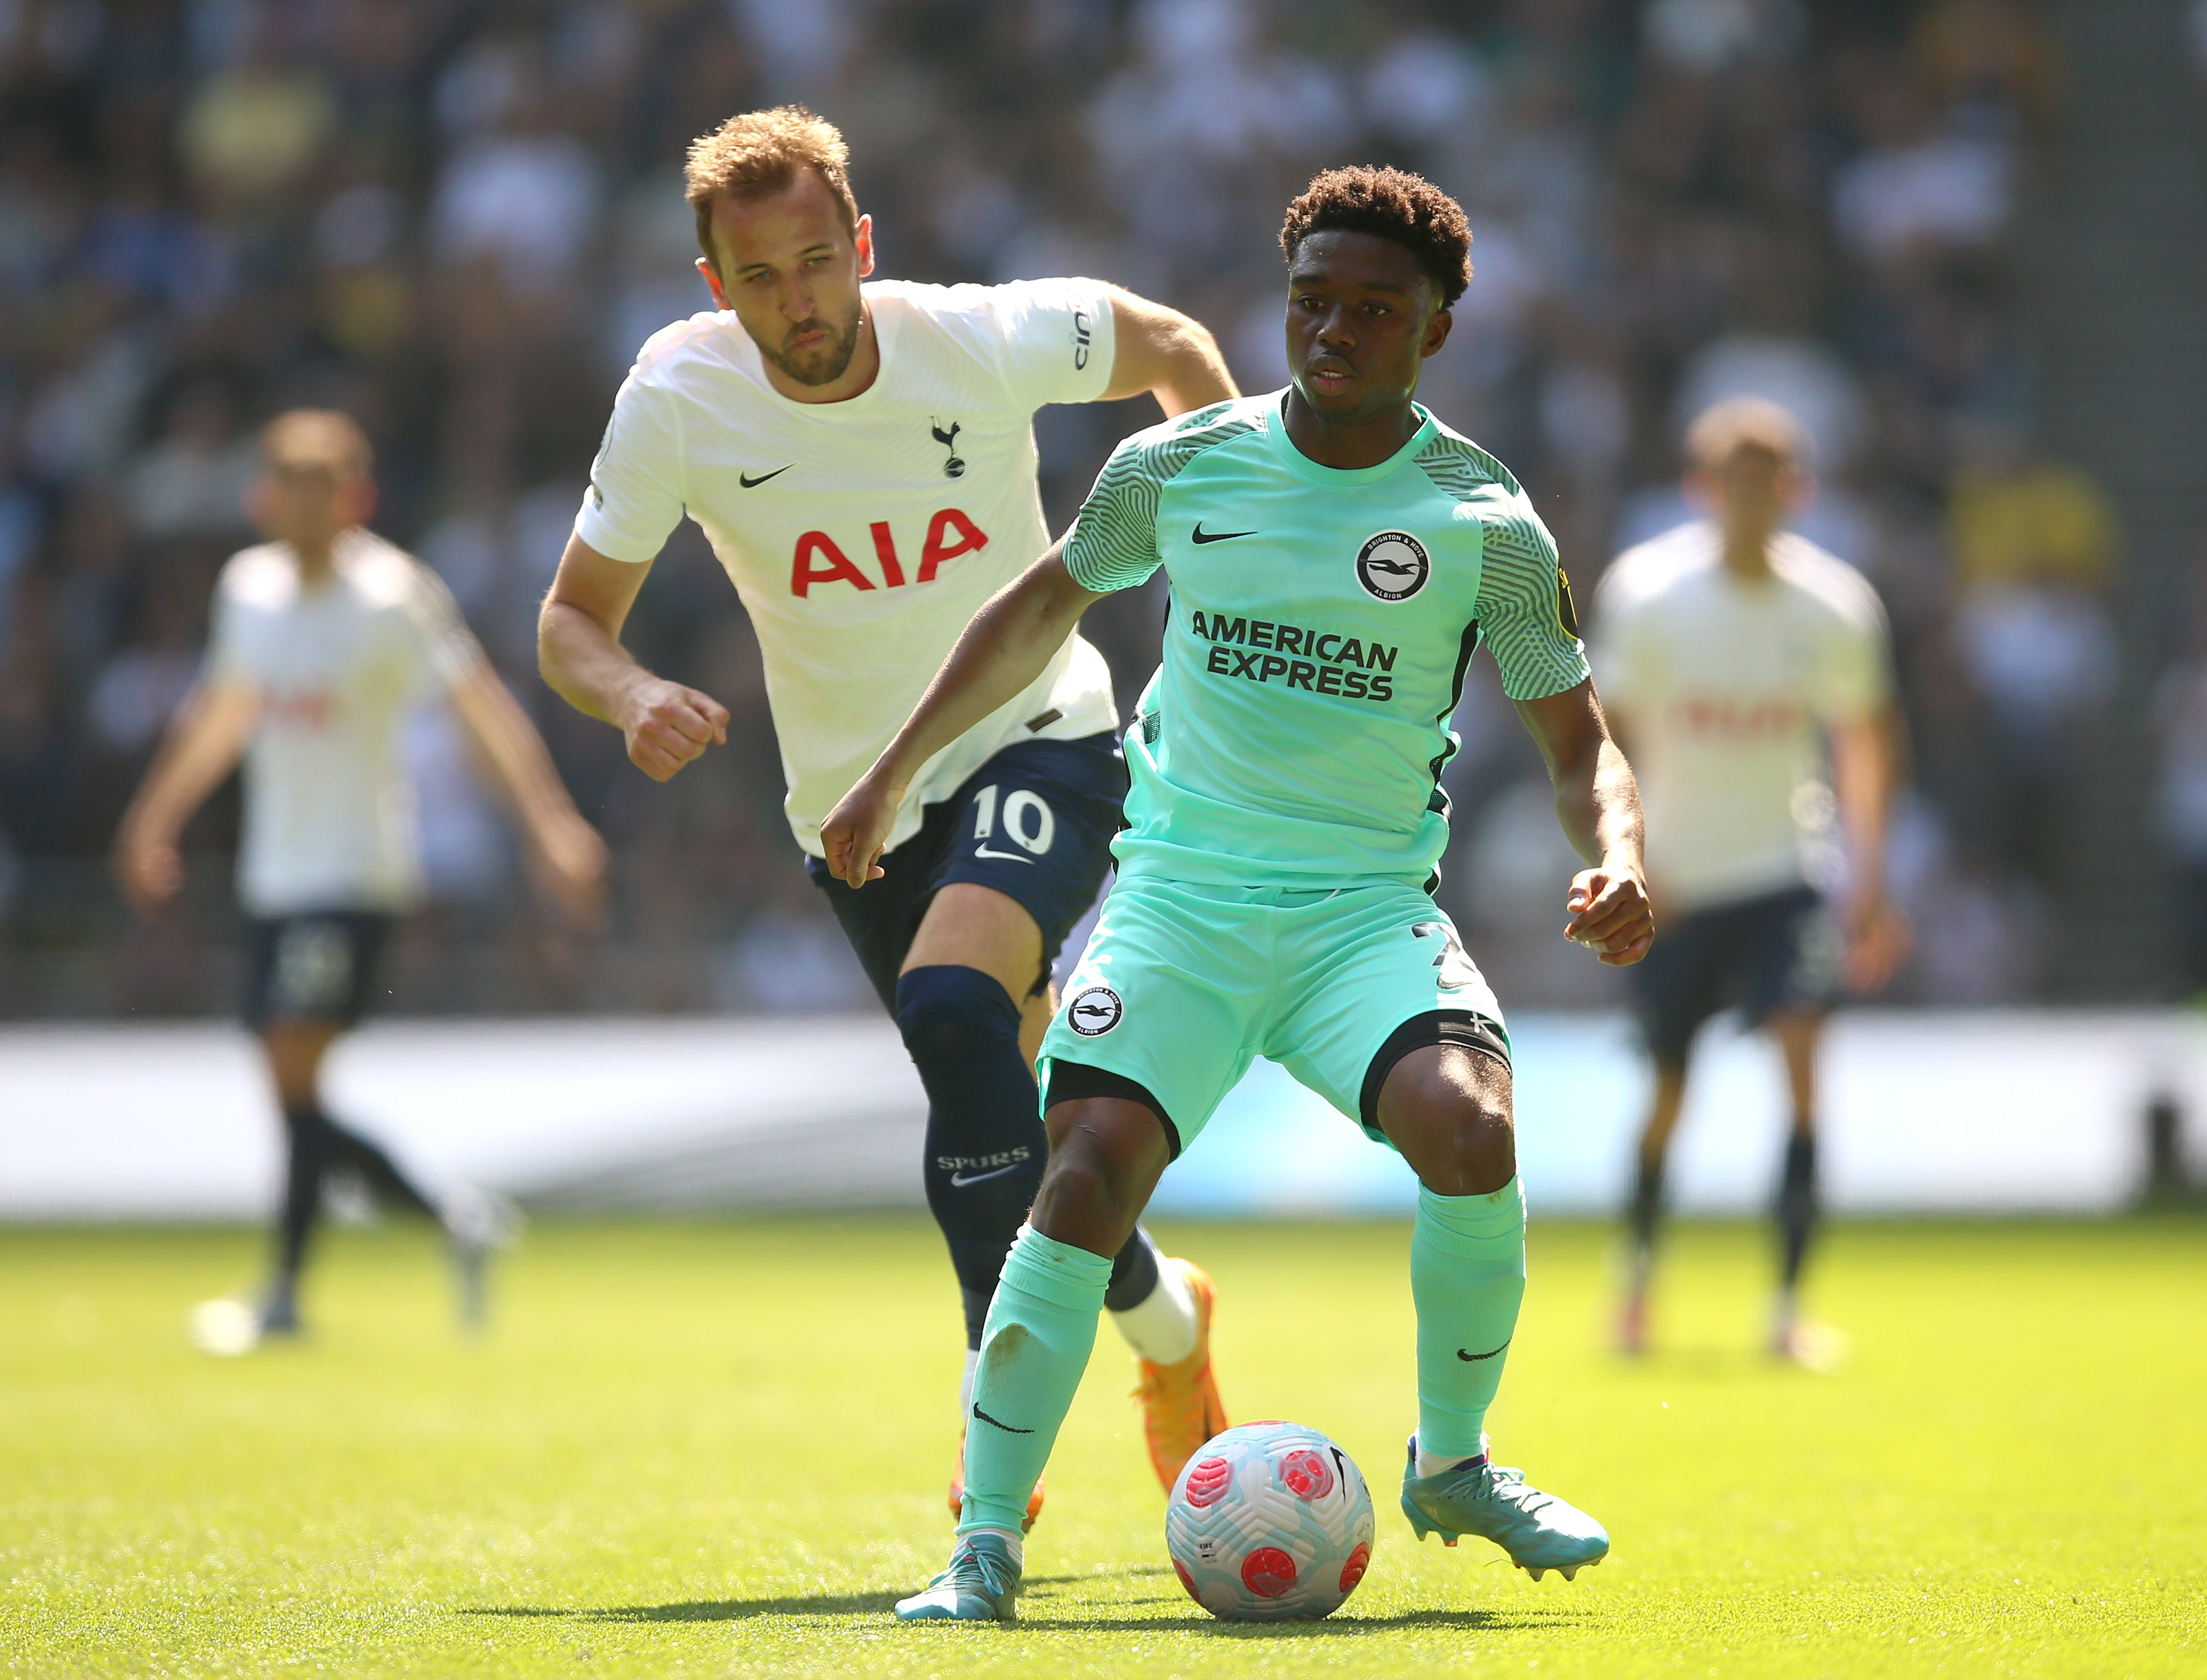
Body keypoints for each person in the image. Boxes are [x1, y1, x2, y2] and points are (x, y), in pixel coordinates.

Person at [824, 164, 1656, 1623]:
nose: (1331, 332)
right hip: (1182, 906)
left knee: (1470, 1134)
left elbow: (1580, 743)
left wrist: (1621, 854)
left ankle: (1450, 1460)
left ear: (1435, 333)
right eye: (1309, 302)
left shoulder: (1483, 524)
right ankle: (984, 1547)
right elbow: (1033, 609)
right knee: (1077, 1179)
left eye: (1371, 312)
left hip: (1358, 917)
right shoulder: (1178, 468)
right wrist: (896, 768)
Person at [536, 106, 1243, 1524]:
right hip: (851, 811)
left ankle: (1001, 1424)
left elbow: (1172, 347)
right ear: (711, 287)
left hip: (1043, 734)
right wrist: (628, 696)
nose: (796, 302)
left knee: (951, 1009)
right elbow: (570, 621)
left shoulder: (975, 338)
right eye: (759, 279)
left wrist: (1217, 559)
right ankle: (1171, 1332)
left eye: (815, 263)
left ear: (861, 244)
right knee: (1010, 1119)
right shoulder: (678, 399)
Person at [114, 409, 606, 1351]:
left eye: (323, 487)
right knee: (292, 1090)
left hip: (356, 872)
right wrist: (156, 817)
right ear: (265, 498)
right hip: (274, 876)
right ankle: (450, 1217)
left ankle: (287, 1293)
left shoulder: (392, 595)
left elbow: (480, 709)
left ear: (355, 496)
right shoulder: (248, 590)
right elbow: (223, 712)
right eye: (289, 486)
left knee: (293, 1061)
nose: (305, 507)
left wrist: (548, 823)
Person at [1592, 396, 1907, 1368]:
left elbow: (1863, 740)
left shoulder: (1835, 606)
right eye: (1734, 482)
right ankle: (1638, 1281)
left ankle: (1786, 1306)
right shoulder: (1647, 595)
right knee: (1668, 1091)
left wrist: (1870, 878)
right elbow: (1611, 739)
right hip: (1679, 883)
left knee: (1805, 1059)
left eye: (1768, 483)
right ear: (1702, 489)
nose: (1751, 501)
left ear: (1795, 491)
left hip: (1786, 872)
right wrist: (1632, 862)